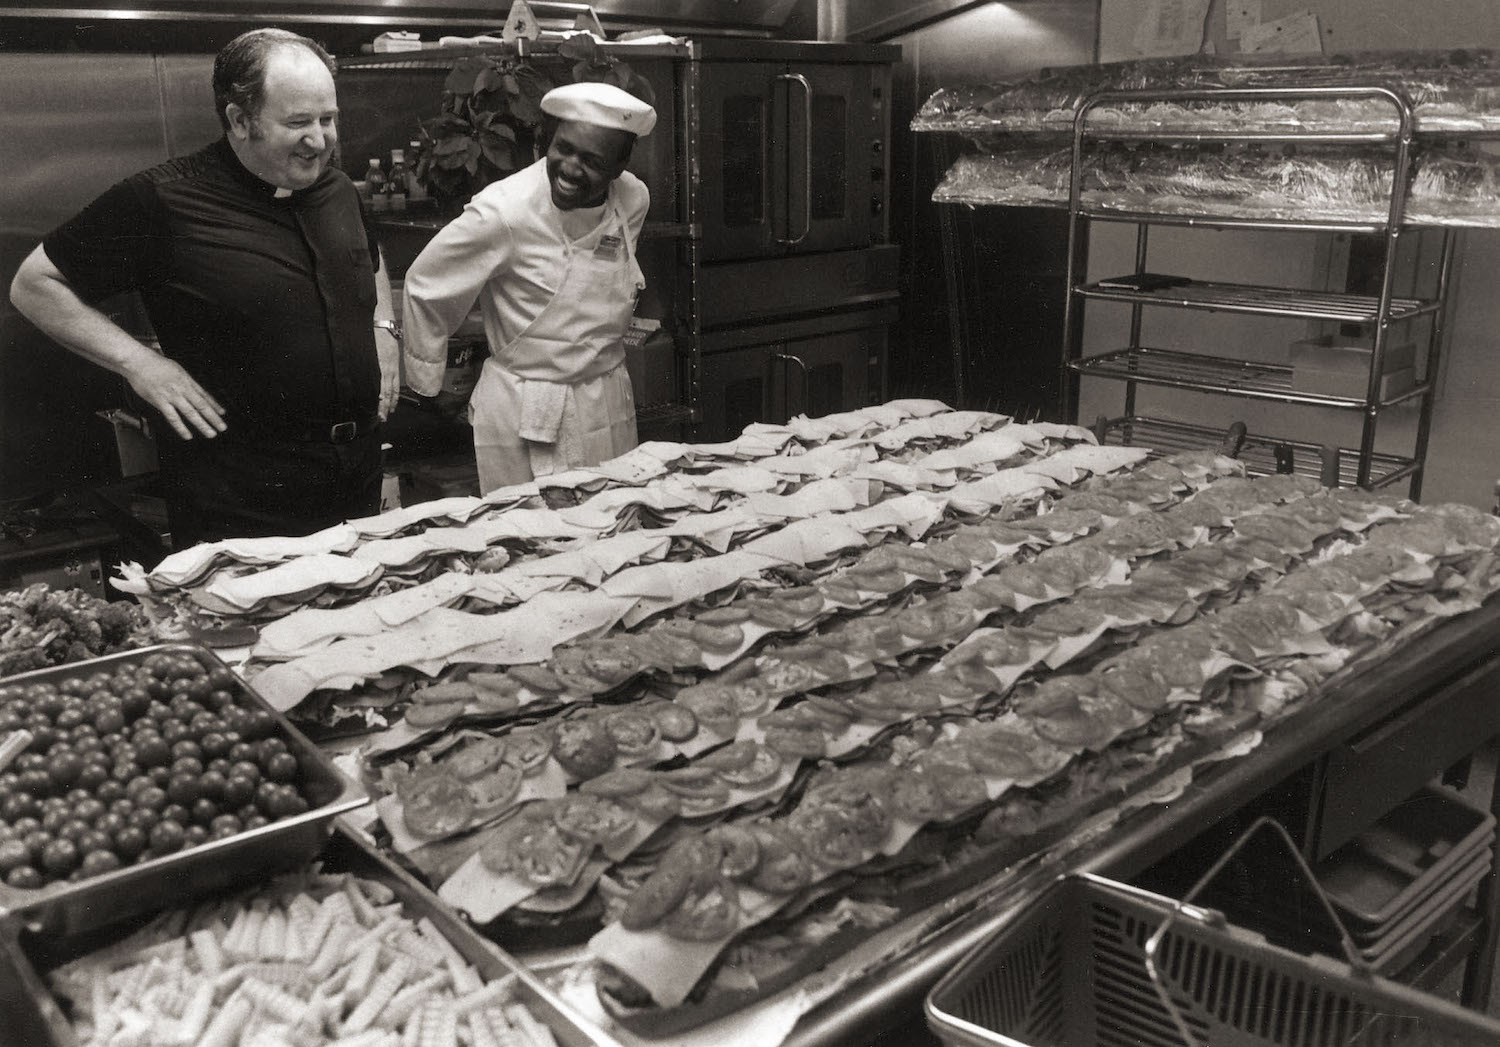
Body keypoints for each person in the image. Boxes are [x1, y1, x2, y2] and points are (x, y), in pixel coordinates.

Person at [9, 27, 400, 548]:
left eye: (328, 119)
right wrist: (141, 364)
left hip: (355, 474)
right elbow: (34, 284)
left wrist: (382, 326)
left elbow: (368, 255)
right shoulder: (162, 200)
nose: (320, 139)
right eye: (298, 122)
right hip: (239, 495)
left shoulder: (332, 186)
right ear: (240, 121)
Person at [401, 81, 655, 493]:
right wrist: (428, 382)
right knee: (531, 538)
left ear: (619, 167)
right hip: (527, 407)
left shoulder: (633, 199)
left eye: (592, 160)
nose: (571, 168)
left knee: (612, 527)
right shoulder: (505, 210)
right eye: (563, 148)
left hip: (606, 395)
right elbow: (427, 283)